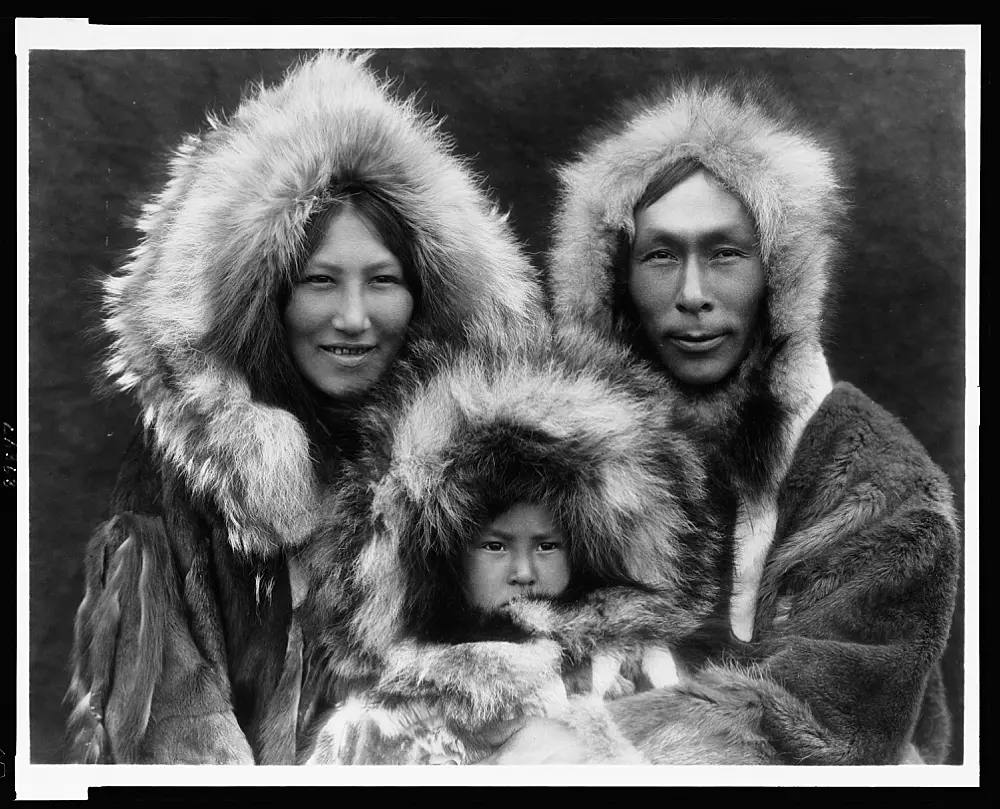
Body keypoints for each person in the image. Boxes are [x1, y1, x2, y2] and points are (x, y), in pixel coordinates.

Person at [64, 50, 546, 765]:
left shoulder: (483, 472)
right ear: (271, 298)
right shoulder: (189, 474)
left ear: (424, 297)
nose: (353, 317)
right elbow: (166, 725)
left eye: (382, 279)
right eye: (321, 280)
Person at [489, 74, 960, 766]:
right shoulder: (552, 451)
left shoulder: (878, 477)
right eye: (660, 256)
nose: (693, 295)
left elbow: (830, 716)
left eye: (725, 253)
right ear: (615, 278)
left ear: (778, 274)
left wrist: (580, 745)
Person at [293, 329, 732, 765]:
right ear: (444, 559)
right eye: (495, 547)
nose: (524, 572)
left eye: (547, 546)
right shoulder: (376, 723)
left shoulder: (637, 679)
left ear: (585, 553)